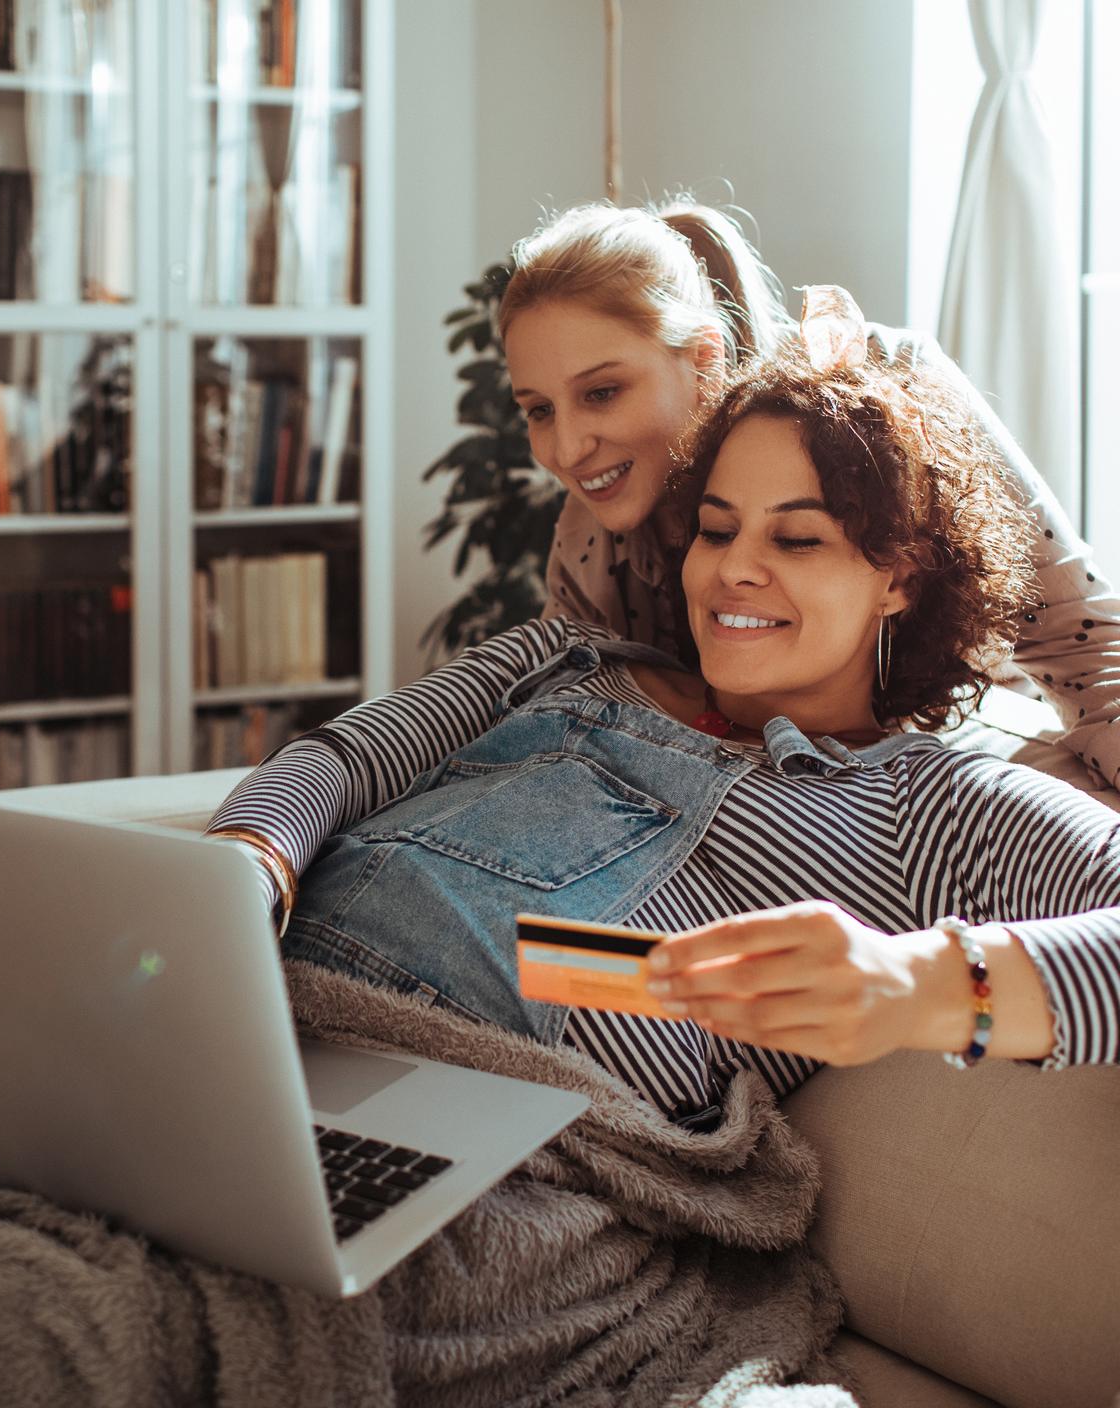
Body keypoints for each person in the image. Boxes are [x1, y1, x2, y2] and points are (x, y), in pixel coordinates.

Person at [207, 315, 1119, 1129]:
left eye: (797, 540)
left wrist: (920, 985)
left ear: (901, 578)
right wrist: (246, 862)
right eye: (717, 531)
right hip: (246, 1048)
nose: (734, 572)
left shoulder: (941, 805)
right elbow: (343, 757)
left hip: (500, 1161)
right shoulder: (559, 659)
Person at [497, 199, 1120, 792]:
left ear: (704, 361)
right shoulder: (593, 536)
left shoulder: (891, 399)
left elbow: (1085, 643)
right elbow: (562, 719)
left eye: (602, 392)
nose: (570, 448)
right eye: (539, 409)